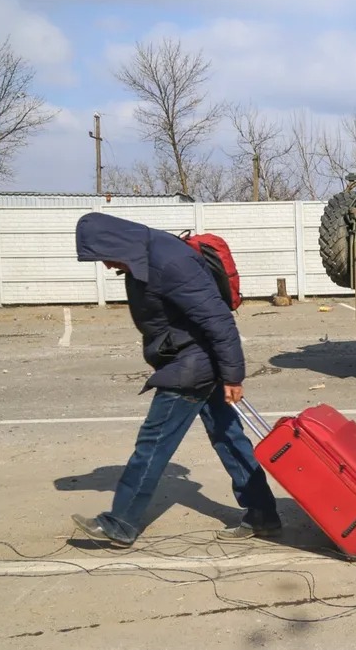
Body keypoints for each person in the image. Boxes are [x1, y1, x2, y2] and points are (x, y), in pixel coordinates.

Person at [70, 212, 281, 546]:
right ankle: (263, 514)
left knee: (153, 443)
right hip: (194, 360)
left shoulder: (168, 262)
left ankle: (121, 522)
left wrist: (233, 376)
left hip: (192, 367)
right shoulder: (144, 256)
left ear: (115, 244)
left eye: (105, 257)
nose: (107, 267)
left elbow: (219, 321)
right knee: (229, 438)